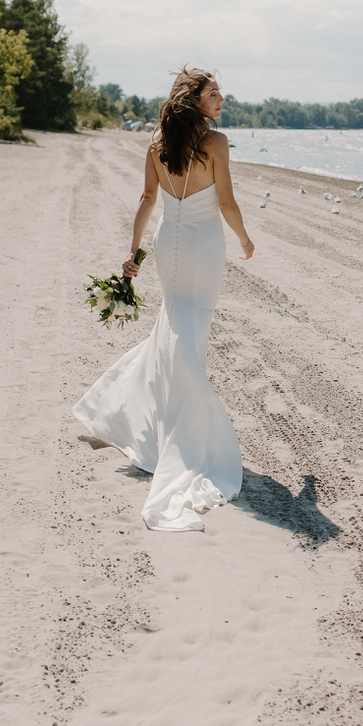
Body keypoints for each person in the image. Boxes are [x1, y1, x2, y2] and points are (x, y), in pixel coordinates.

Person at [73, 68, 254, 531]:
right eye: (214, 94)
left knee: (175, 327)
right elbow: (228, 202)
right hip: (204, 246)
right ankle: (187, 431)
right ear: (193, 99)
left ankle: (132, 415)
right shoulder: (216, 143)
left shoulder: (156, 141)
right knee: (190, 331)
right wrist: (245, 240)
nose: (221, 100)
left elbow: (147, 198)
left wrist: (133, 253)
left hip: (168, 241)